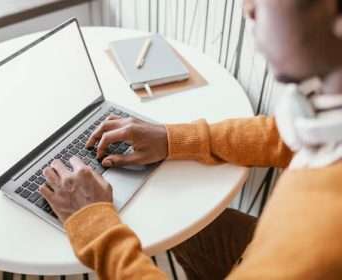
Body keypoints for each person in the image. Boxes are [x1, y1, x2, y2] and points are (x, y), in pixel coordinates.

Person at [40, 0, 342, 279]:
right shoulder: (326, 124)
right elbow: (281, 138)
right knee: (177, 223)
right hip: (262, 243)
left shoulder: (323, 233)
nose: (247, 8)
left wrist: (94, 228)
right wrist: (172, 139)